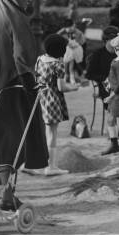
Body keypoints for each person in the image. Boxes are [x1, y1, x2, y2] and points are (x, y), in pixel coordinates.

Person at [0, 0, 48, 210]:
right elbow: (21, 57)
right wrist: (31, 85)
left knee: (4, 145)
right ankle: (7, 194)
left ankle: (3, 191)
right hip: (16, 87)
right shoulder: (16, 18)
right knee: (19, 143)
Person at [35, 34, 79, 175]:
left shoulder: (40, 59)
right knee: (52, 133)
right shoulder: (58, 64)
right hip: (52, 100)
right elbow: (61, 87)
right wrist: (74, 87)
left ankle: (38, 163)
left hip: (40, 96)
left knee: (43, 131)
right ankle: (51, 167)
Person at [85, 26, 119, 105]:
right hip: (105, 86)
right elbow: (89, 74)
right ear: (106, 39)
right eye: (114, 39)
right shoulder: (97, 55)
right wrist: (105, 78)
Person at [57, 18, 86, 83]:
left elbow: (82, 42)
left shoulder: (78, 32)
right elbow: (56, 35)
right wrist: (62, 30)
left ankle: (71, 77)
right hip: (66, 51)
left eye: (71, 27)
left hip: (75, 50)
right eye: (67, 28)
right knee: (66, 64)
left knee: (71, 64)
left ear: (74, 25)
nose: (69, 29)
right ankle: (67, 76)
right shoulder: (64, 32)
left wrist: (76, 44)